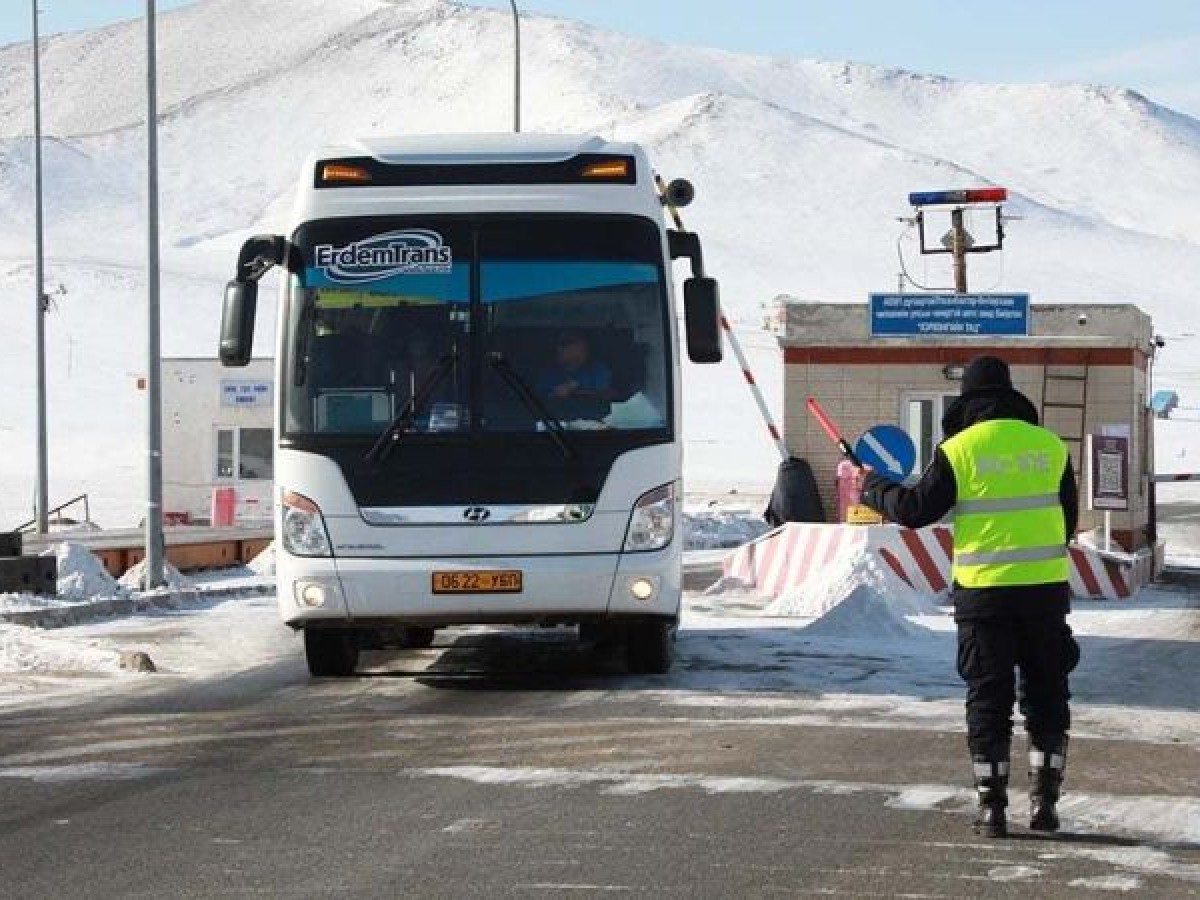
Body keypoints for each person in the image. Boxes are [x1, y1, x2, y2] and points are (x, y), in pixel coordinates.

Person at [857, 355, 1080, 838]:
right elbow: (1068, 521)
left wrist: (872, 488)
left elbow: (916, 510)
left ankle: (992, 809)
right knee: (1047, 695)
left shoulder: (959, 450)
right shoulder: (1051, 448)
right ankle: (1045, 803)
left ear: (969, 403)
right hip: (1044, 596)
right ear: (1012, 398)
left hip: (984, 598)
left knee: (988, 698)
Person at [536, 330, 613, 416]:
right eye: (558, 343)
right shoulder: (548, 373)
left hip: (593, 425)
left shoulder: (598, 371)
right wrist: (555, 394)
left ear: (583, 346)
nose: (559, 348)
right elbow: (538, 402)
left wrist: (573, 390)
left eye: (565, 343)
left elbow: (604, 396)